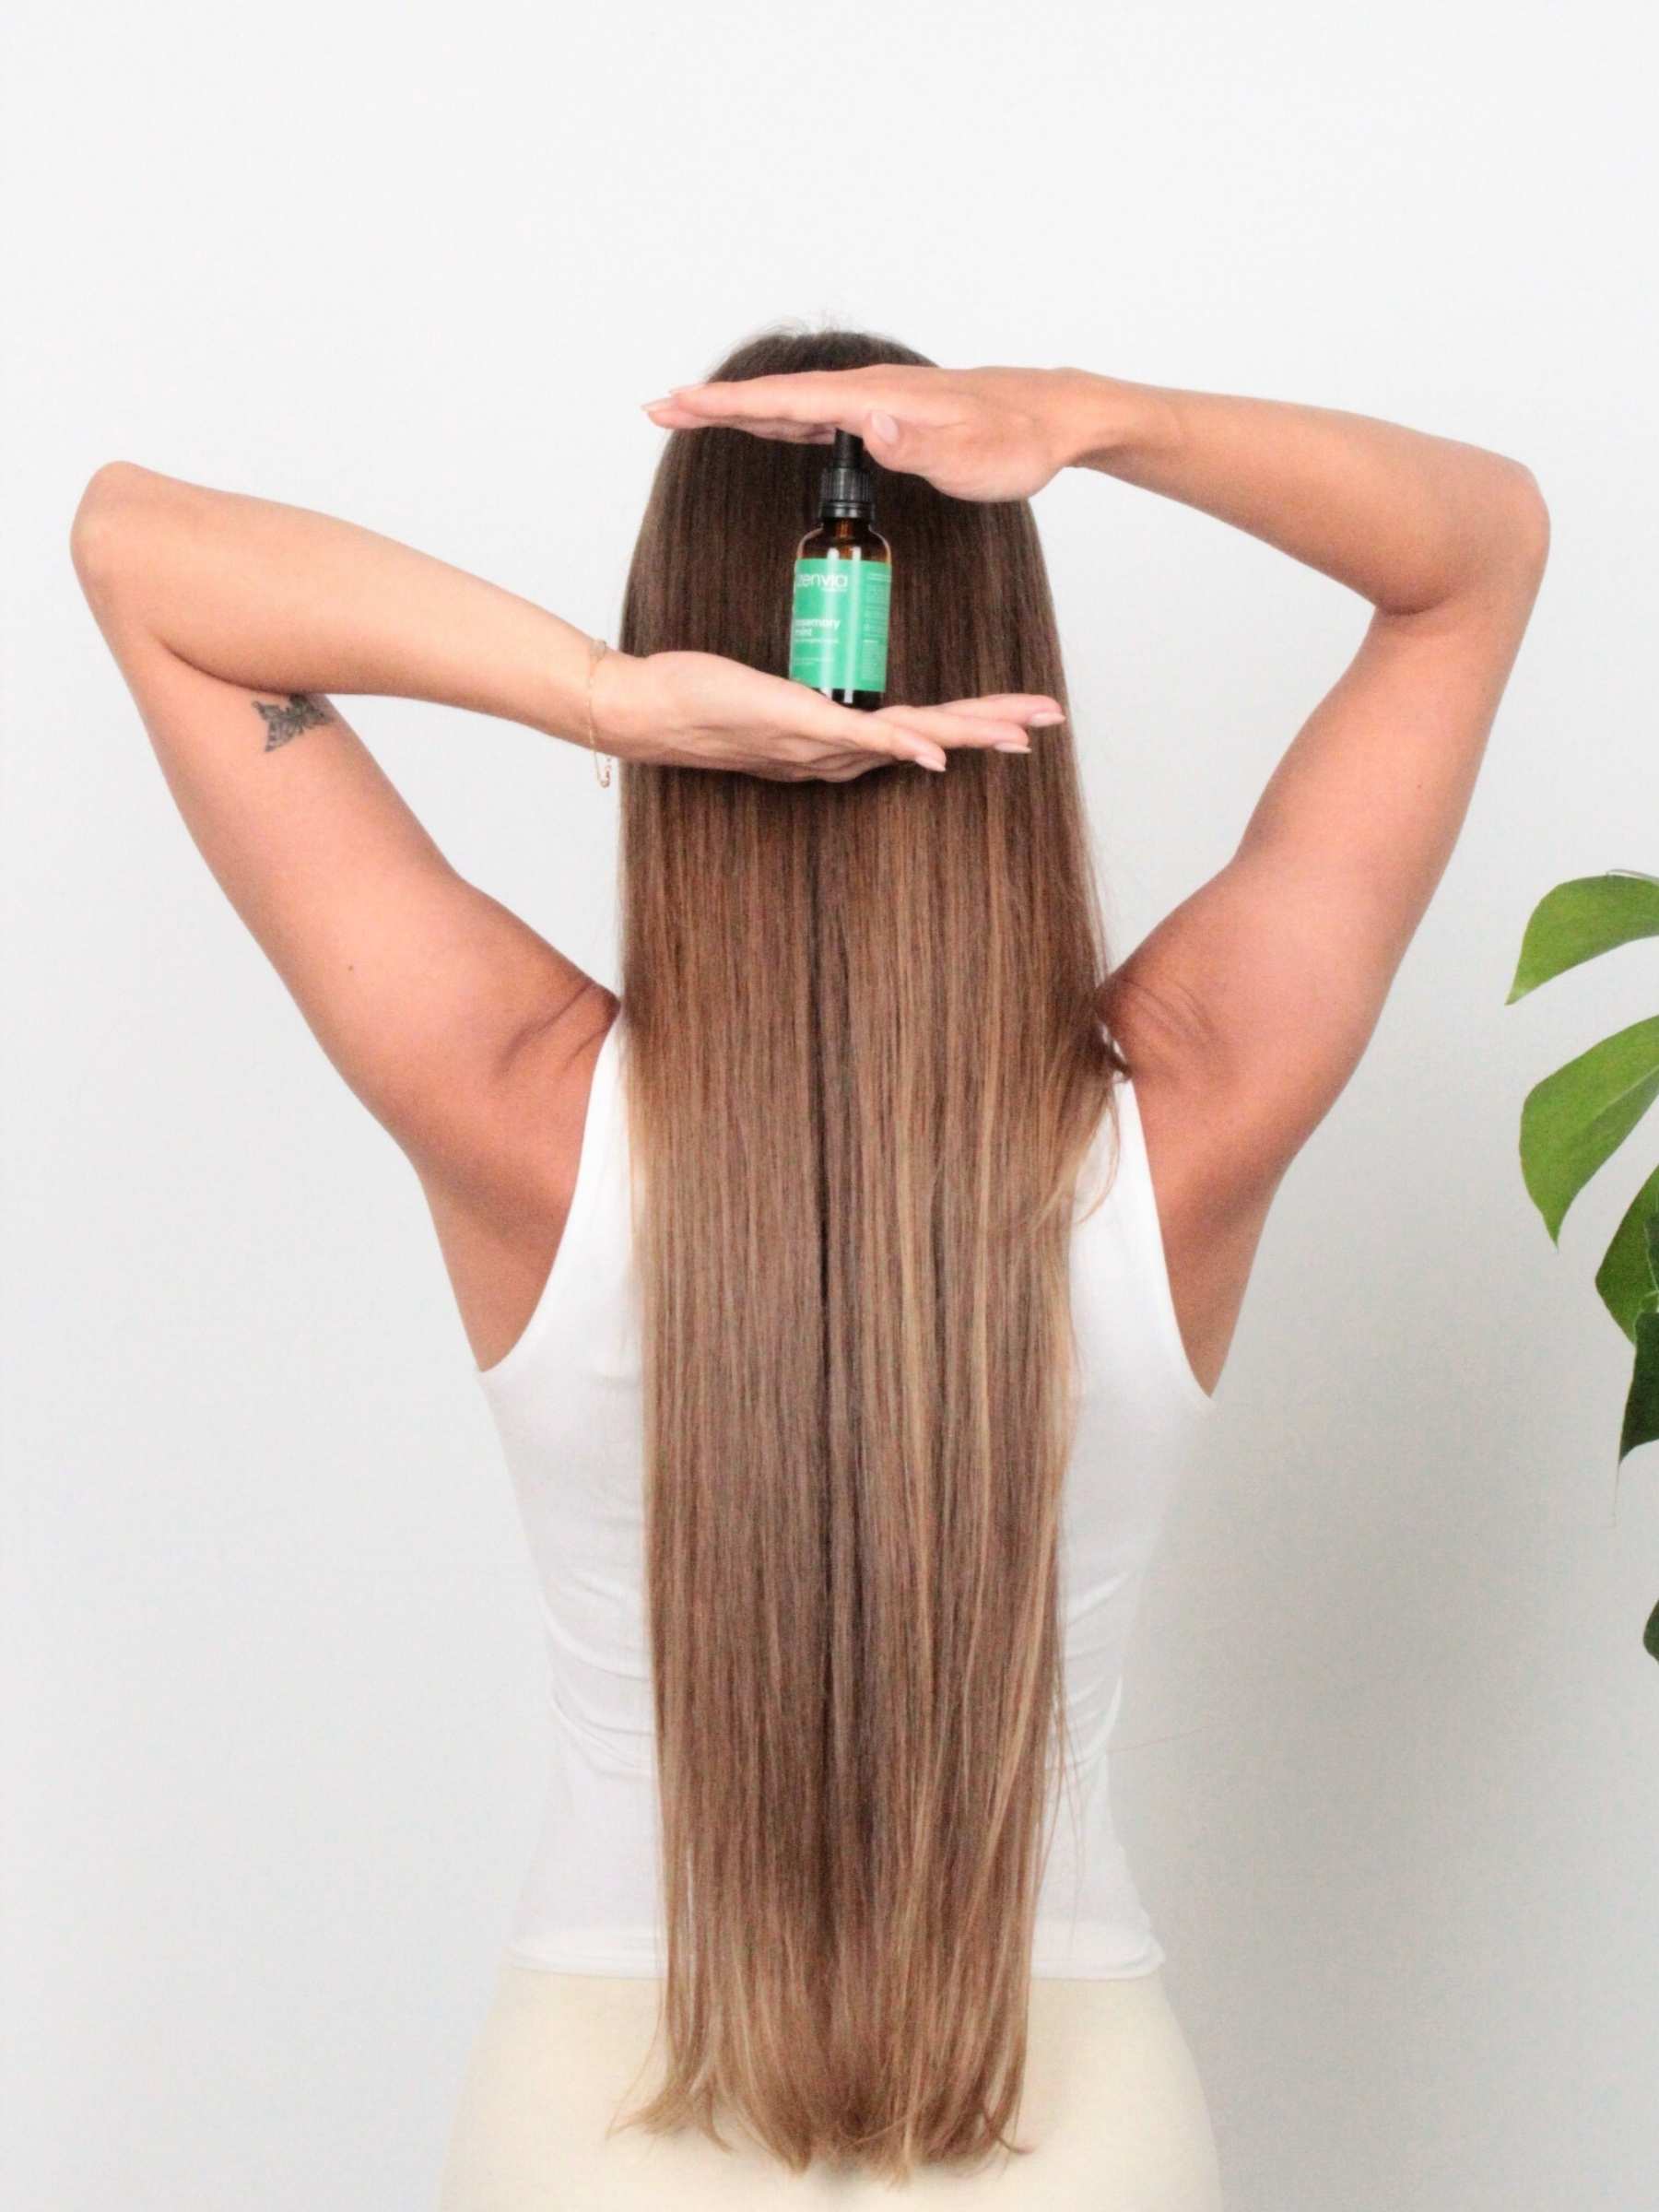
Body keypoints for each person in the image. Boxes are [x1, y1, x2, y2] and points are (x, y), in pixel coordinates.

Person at [68, 327, 1548, 2208]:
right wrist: (1099, 425)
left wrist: (599, 696)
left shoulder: (519, 1107)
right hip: (1072, 2115)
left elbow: (138, 551)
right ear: (1006, 652)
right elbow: (1477, 549)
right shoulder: (1189, 1108)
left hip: (593, 2122)